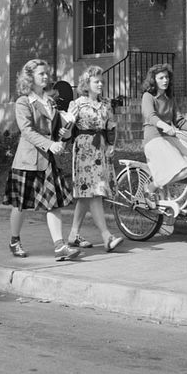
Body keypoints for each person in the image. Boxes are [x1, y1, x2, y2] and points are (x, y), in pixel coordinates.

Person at [3, 58, 81, 261]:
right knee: (20, 205)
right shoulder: (23, 101)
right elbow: (27, 130)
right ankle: (14, 239)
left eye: (47, 73)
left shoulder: (50, 101)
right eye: (41, 74)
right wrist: (50, 144)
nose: (46, 77)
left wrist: (69, 123)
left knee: (53, 204)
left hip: (47, 161)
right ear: (30, 77)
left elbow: (60, 133)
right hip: (27, 161)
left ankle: (59, 246)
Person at [65, 66, 123, 252]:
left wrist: (112, 145)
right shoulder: (77, 104)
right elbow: (67, 128)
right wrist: (65, 128)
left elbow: (111, 126)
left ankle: (73, 235)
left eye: (101, 81)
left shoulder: (106, 103)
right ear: (86, 84)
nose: (100, 84)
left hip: (101, 149)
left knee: (86, 195)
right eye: (96, 81)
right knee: (94, 192)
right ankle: (107, 237)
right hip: (84, 149)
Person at [140, 63, 187, 201]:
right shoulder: (148, 96)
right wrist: (163, 125)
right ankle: (152, 187)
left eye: (166, 77)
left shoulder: (169, 98)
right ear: (154, 80)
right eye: (161, 78)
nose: (165, 80)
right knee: (184, 170)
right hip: (154, 138)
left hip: (169, 137)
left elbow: (179, 122)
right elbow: (150, 116)